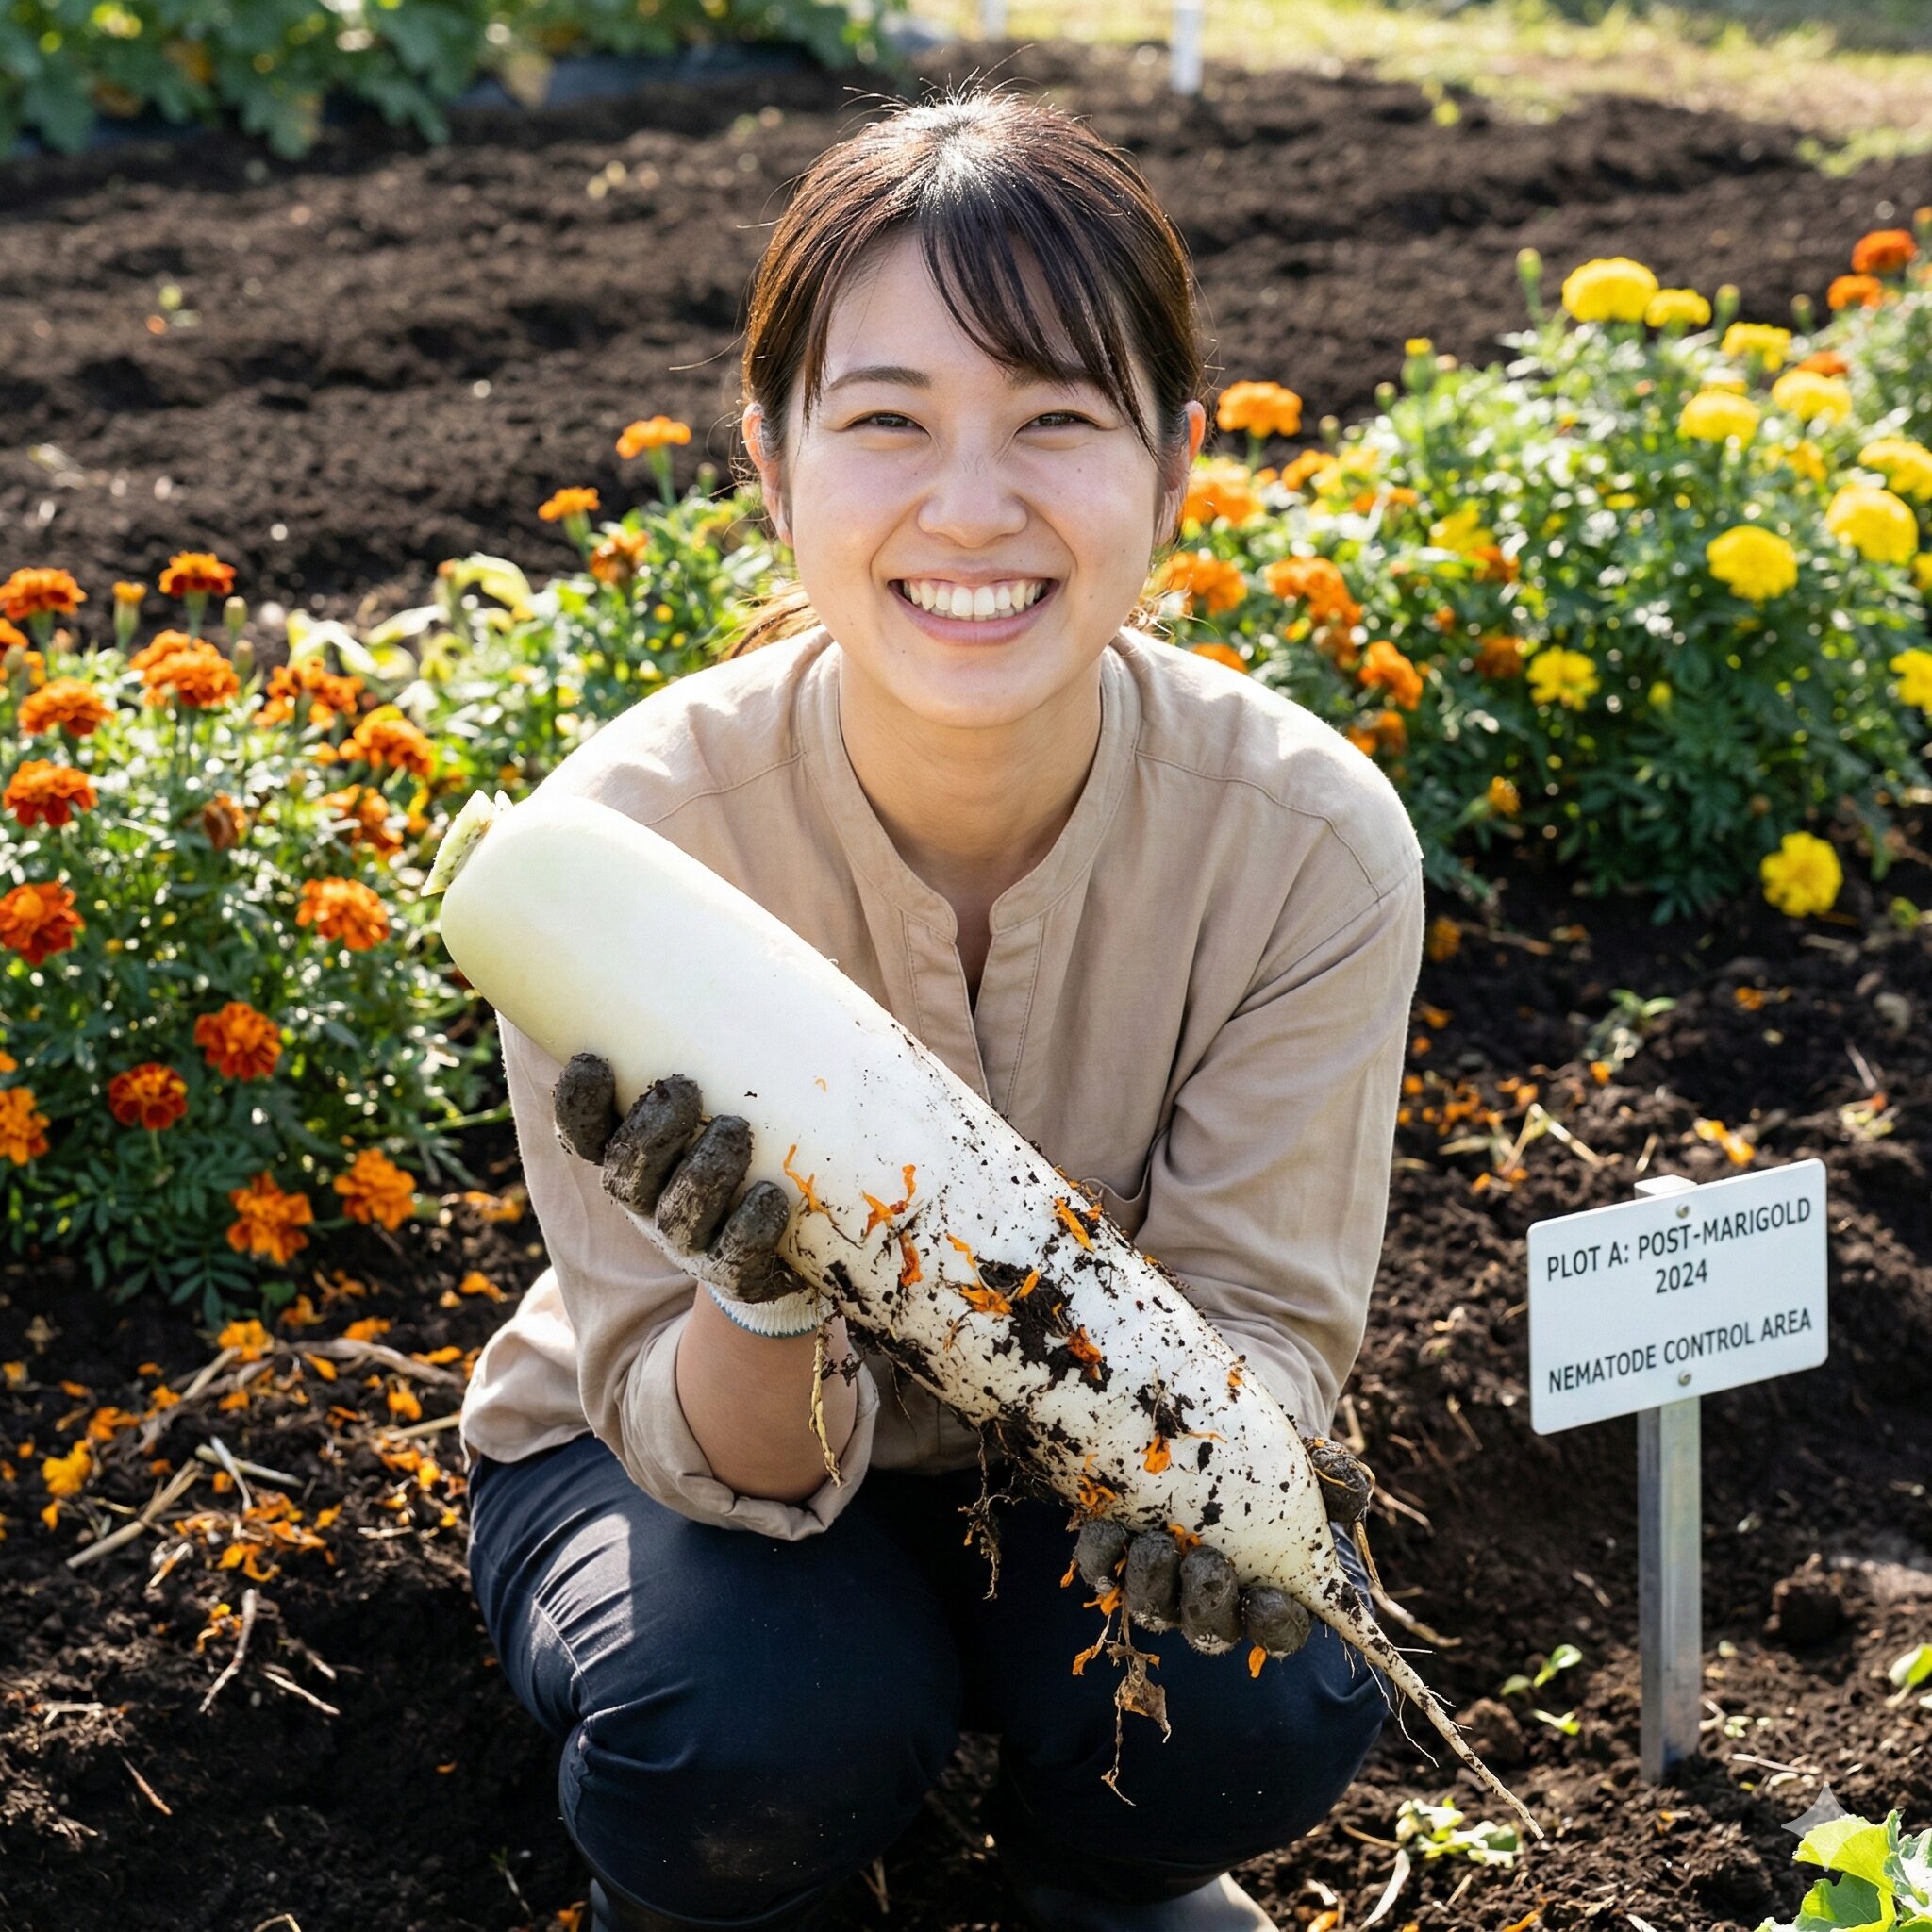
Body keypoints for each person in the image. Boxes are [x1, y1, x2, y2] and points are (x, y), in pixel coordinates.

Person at [459, 85, 1427, 1932]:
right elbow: (680, 1423)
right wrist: (758, 1286)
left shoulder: (1306, 843)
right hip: (685, 1468)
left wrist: (1233, 1492)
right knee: (748, 1731)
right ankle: (716, 1898)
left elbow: (1265, 1327)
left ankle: (1103, 1882)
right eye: (887, 421)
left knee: (1268, 1683)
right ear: (772, 455)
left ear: (1177, 459)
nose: (970, 507)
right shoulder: (619, 862)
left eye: (1056, 420)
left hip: (1069, 1454)